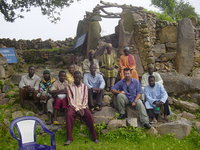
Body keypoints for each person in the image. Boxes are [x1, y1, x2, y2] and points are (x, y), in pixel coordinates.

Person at [64, 71, 98, 145]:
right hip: (73, 106)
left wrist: (82, 108)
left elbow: (85, 99)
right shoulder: (69, 87)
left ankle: (94, 137)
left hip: (83, 106)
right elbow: (70, 100)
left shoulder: (85, 87)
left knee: (89, 116)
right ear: (73, 78)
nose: (77, 79)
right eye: (76, 77)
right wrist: (77, 109)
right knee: (69, 115)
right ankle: (69, 138)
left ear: (81, 78)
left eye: (79, 78)